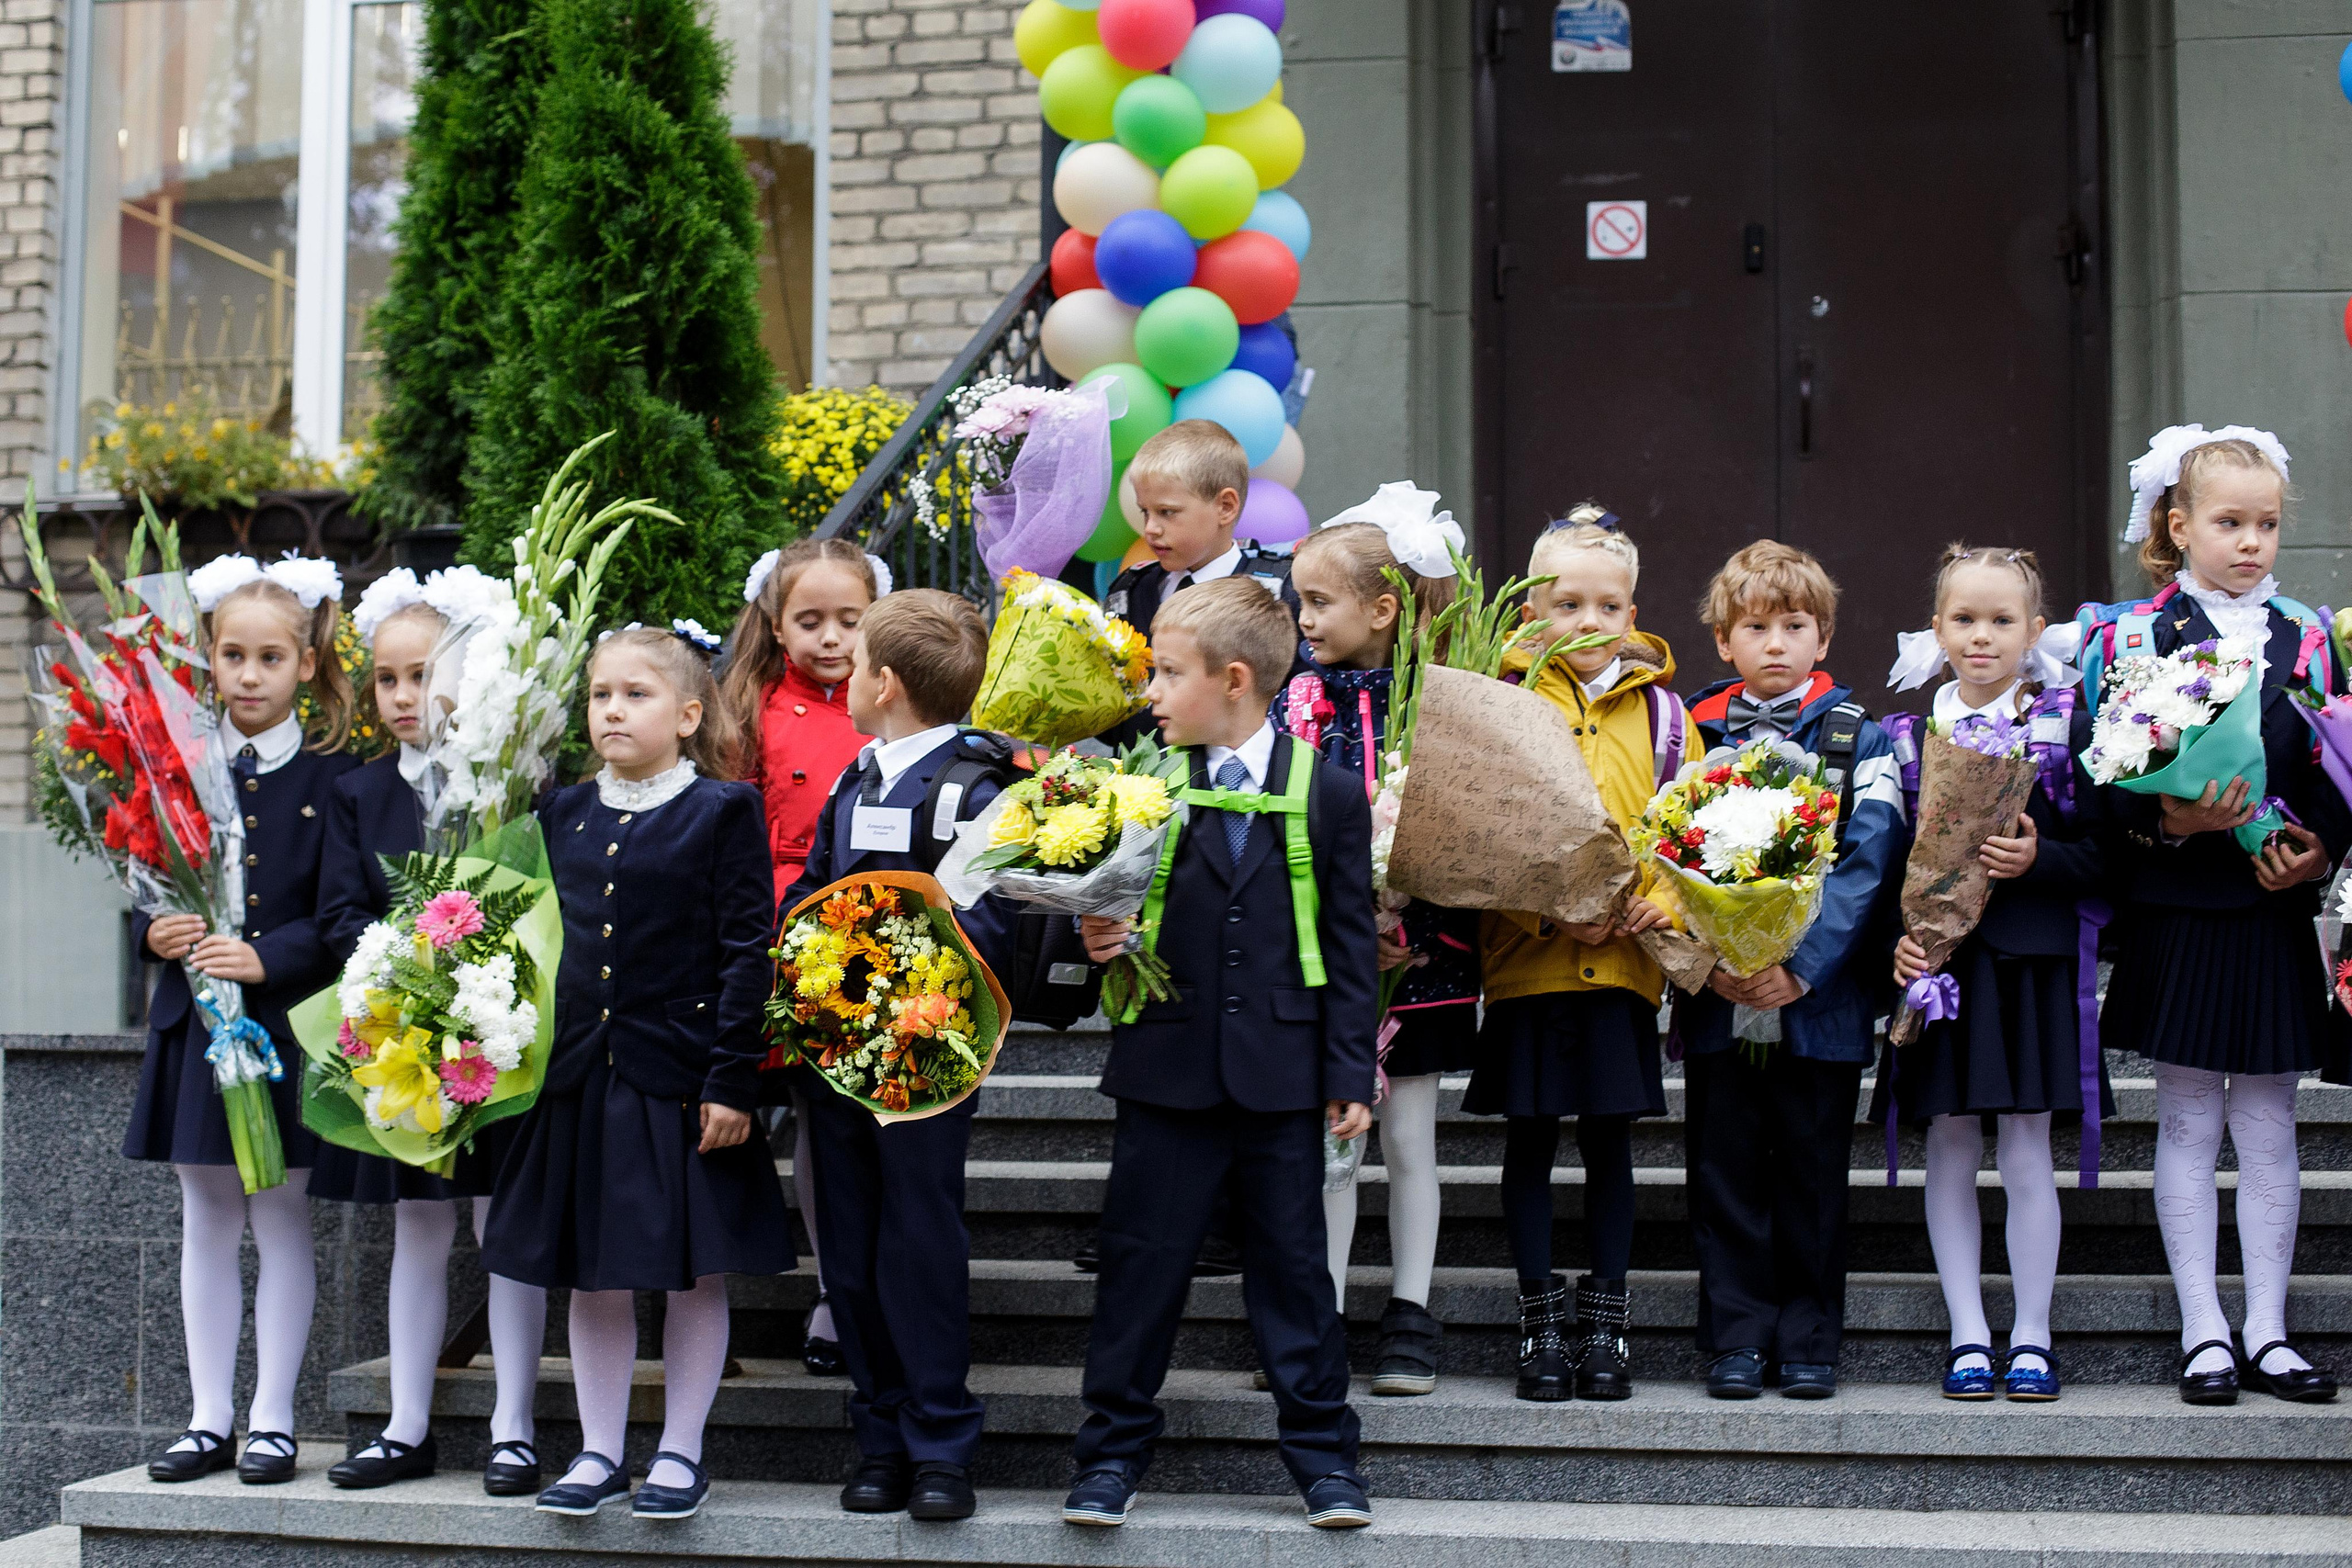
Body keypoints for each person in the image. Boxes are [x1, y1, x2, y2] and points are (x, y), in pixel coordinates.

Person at [1064, 576, 1380, 1532]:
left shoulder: (1325, 792)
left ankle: (1325, 1461)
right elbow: (1084, 907)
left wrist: (1347, 1069)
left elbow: (1351, 939)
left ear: (1233, 680)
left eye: (1167, 674)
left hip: (1282, 1074)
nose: (1151, 693)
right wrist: (1089, 935)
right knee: (1140, 1272)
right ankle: (1109, 1458)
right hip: (1166, 1073)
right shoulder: (1142, 786)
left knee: (1293, 1275)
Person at [480, 624, 793, 1521]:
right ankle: (598, 1451)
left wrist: (735, 1080)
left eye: (636, 694)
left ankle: (681, 1452)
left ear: (689, 714)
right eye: (600, 695)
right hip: (581, 1080)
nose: (612, 709)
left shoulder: (721, 810)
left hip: (685, 1079)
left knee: (693, 1273)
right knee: (596, 1271)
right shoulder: (560, 813)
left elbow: (747, 950)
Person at [2094, 427, 2346, 1405]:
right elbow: (2104, 781)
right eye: (2228, 522)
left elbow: (2333, 761)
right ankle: (2203, 1328)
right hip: (2179, 900)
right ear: (2178, 525)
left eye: (2267, 524)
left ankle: (2269, 1330)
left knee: (2272, 1120)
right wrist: (2172, 813)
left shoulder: (2308, 634)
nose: (2250, 542)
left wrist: (2321, 848)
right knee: (2191, 1117)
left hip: (2271, 903)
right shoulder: (2136, 635)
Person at [310, 571, 549, 1493]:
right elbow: (338, 914)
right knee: (417, 1225)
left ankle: (514, 1425)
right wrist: (401, 976)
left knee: (504, 1225)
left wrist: (482, 987)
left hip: (495, 1039)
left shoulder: (513, 779)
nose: (403, 698)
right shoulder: (359, 793)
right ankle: (407, 1424)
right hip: (405, 1040)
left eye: (422, 677)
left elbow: (534, 902)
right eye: (386, 680)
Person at [780, 588, 1015, 1523]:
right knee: (849, 1248)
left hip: (922, 1064)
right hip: (838, 1051)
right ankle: (878, 1434)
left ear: (884, 682)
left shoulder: (976, 783)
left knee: (918, 1245)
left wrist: (902, 978)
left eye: (857, 654)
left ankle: (940, 1442)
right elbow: (814, 887)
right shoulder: (856, 775)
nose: (839, 667)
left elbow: (995, 918)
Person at [132, 555, 358, 1485]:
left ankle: (273, 1418)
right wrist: (156, 930)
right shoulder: (173, 768)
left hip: (284, 1025)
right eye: (233, 656)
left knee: (281, 1214)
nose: (250, 675)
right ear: (209, 660)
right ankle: (207, 1416)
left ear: (307, 663)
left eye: (271, 657)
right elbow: (139, 881)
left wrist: (273, 956)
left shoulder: (337, 781)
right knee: (205, 1217)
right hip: (197, 1029)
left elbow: (347, 915)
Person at [1876, 546, 2110, 1404]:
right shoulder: (1904, 738)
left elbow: (2107, 856)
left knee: (2024, 1143)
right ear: (1936, 630)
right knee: (1947, 1137)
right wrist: (1891, 951)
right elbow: (1877, 866)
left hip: (2029, 966)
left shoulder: (2065, 728)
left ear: (2035, 630)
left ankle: (2035, 1333)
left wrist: (2039, 858)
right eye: (1964, 619)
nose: (1982, 636)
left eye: (2002, 620)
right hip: (1942, 966)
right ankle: (1969, 1331)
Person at [1679, 541, 1908, 1401]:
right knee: (1724, 1167)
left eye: (1794, 626)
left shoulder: (1864, 738)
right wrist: (1712, 960)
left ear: (1825, 637)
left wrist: (1802, 967)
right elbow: (1665, 860)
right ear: (1723, 640)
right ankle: (1736, 1336)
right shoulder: (1692, 734)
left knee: (1812, 1172)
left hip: (1820, 1004)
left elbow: (1868, 859)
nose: (1775, 642)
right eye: (1755, 626)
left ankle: (1809, 1337)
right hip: (1719, 997)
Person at [1471, 515, 1687, 1403]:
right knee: (1530, 1144)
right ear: (1533, 609)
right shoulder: (1503, 700)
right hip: (1530, 965)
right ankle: (1538, 1321)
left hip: (1626, 972)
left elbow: (1688, 831)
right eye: (1567, 603)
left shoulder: (1667, 716)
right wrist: (1556, 913)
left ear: (1634, 612)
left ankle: (1606, 1320)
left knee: (1609, 1148)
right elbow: (1475, 833)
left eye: (1608, 603)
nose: (1589, 618)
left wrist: (1658, 904)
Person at [1280, 515, 1471, 1397]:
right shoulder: (1294, 700)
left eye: (1320, 601)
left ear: (1383, 608)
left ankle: (1409, 1311)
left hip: (1424, 954)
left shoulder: (1442, 699)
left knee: (1407, 1138)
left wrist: (1410, 914)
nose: (1305, 618)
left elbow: (1471, 832)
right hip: (1328, 959)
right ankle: (1316, 1315)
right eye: (1300, 601)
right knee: (1334, 1141)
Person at [720, 538, 887, 1381]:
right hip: (768, 929)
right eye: (809, 620)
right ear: (776, 624)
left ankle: (838, 1285)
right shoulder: (745, 709)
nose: (830, 638)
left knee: (835, 1119)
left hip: (862, 935)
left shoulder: (892, 706)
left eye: (849, 621)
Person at [1101, 419, 1300, 641]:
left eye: (1167, 512)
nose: (1150, 528)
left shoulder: (1280, 596)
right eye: (1145, 512)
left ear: (1226, 507)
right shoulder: (1131, 590)